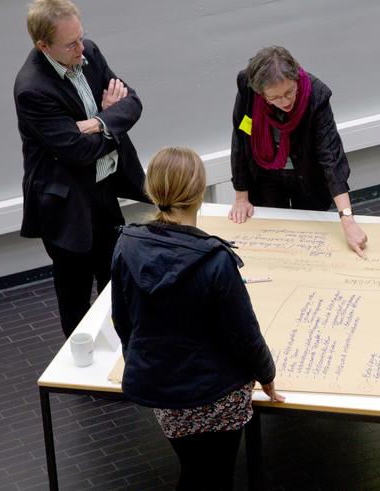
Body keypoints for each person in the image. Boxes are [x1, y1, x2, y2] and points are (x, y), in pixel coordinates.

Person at [111, 147, 284, 490]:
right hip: (215, 391)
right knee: (214, 475)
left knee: (195, 469)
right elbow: (244, 334)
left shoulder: (127, 246)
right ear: (200, 193)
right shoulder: (216, 261)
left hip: (162, 389)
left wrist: (143, 361)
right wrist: (267, 375)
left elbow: (123, 320)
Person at [14, 0, 148, 338]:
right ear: (43, 46)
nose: (80, 48)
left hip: (102, 190)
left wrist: (98, 122)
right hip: (65, 204)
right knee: (74, 292)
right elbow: (77, 151)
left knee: (114, 277)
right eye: (70, 43)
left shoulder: (89, 52)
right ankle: (79, 366)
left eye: (81, 37)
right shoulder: (33, 89)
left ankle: (121, 352)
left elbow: (132, 102)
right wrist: (111, 123)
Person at [229, 46, 368, 257]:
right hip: (265, 175)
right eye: (274, 97)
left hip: (307, 175)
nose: (285, 102)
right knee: (276, 238)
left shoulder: (317, 94)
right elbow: (240, 138)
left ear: (296, 79)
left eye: (289, 92)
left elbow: (331, 157)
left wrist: (347, 220)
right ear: (260, 92)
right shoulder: (247, 87)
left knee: (311, 239)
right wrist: (241, 196)